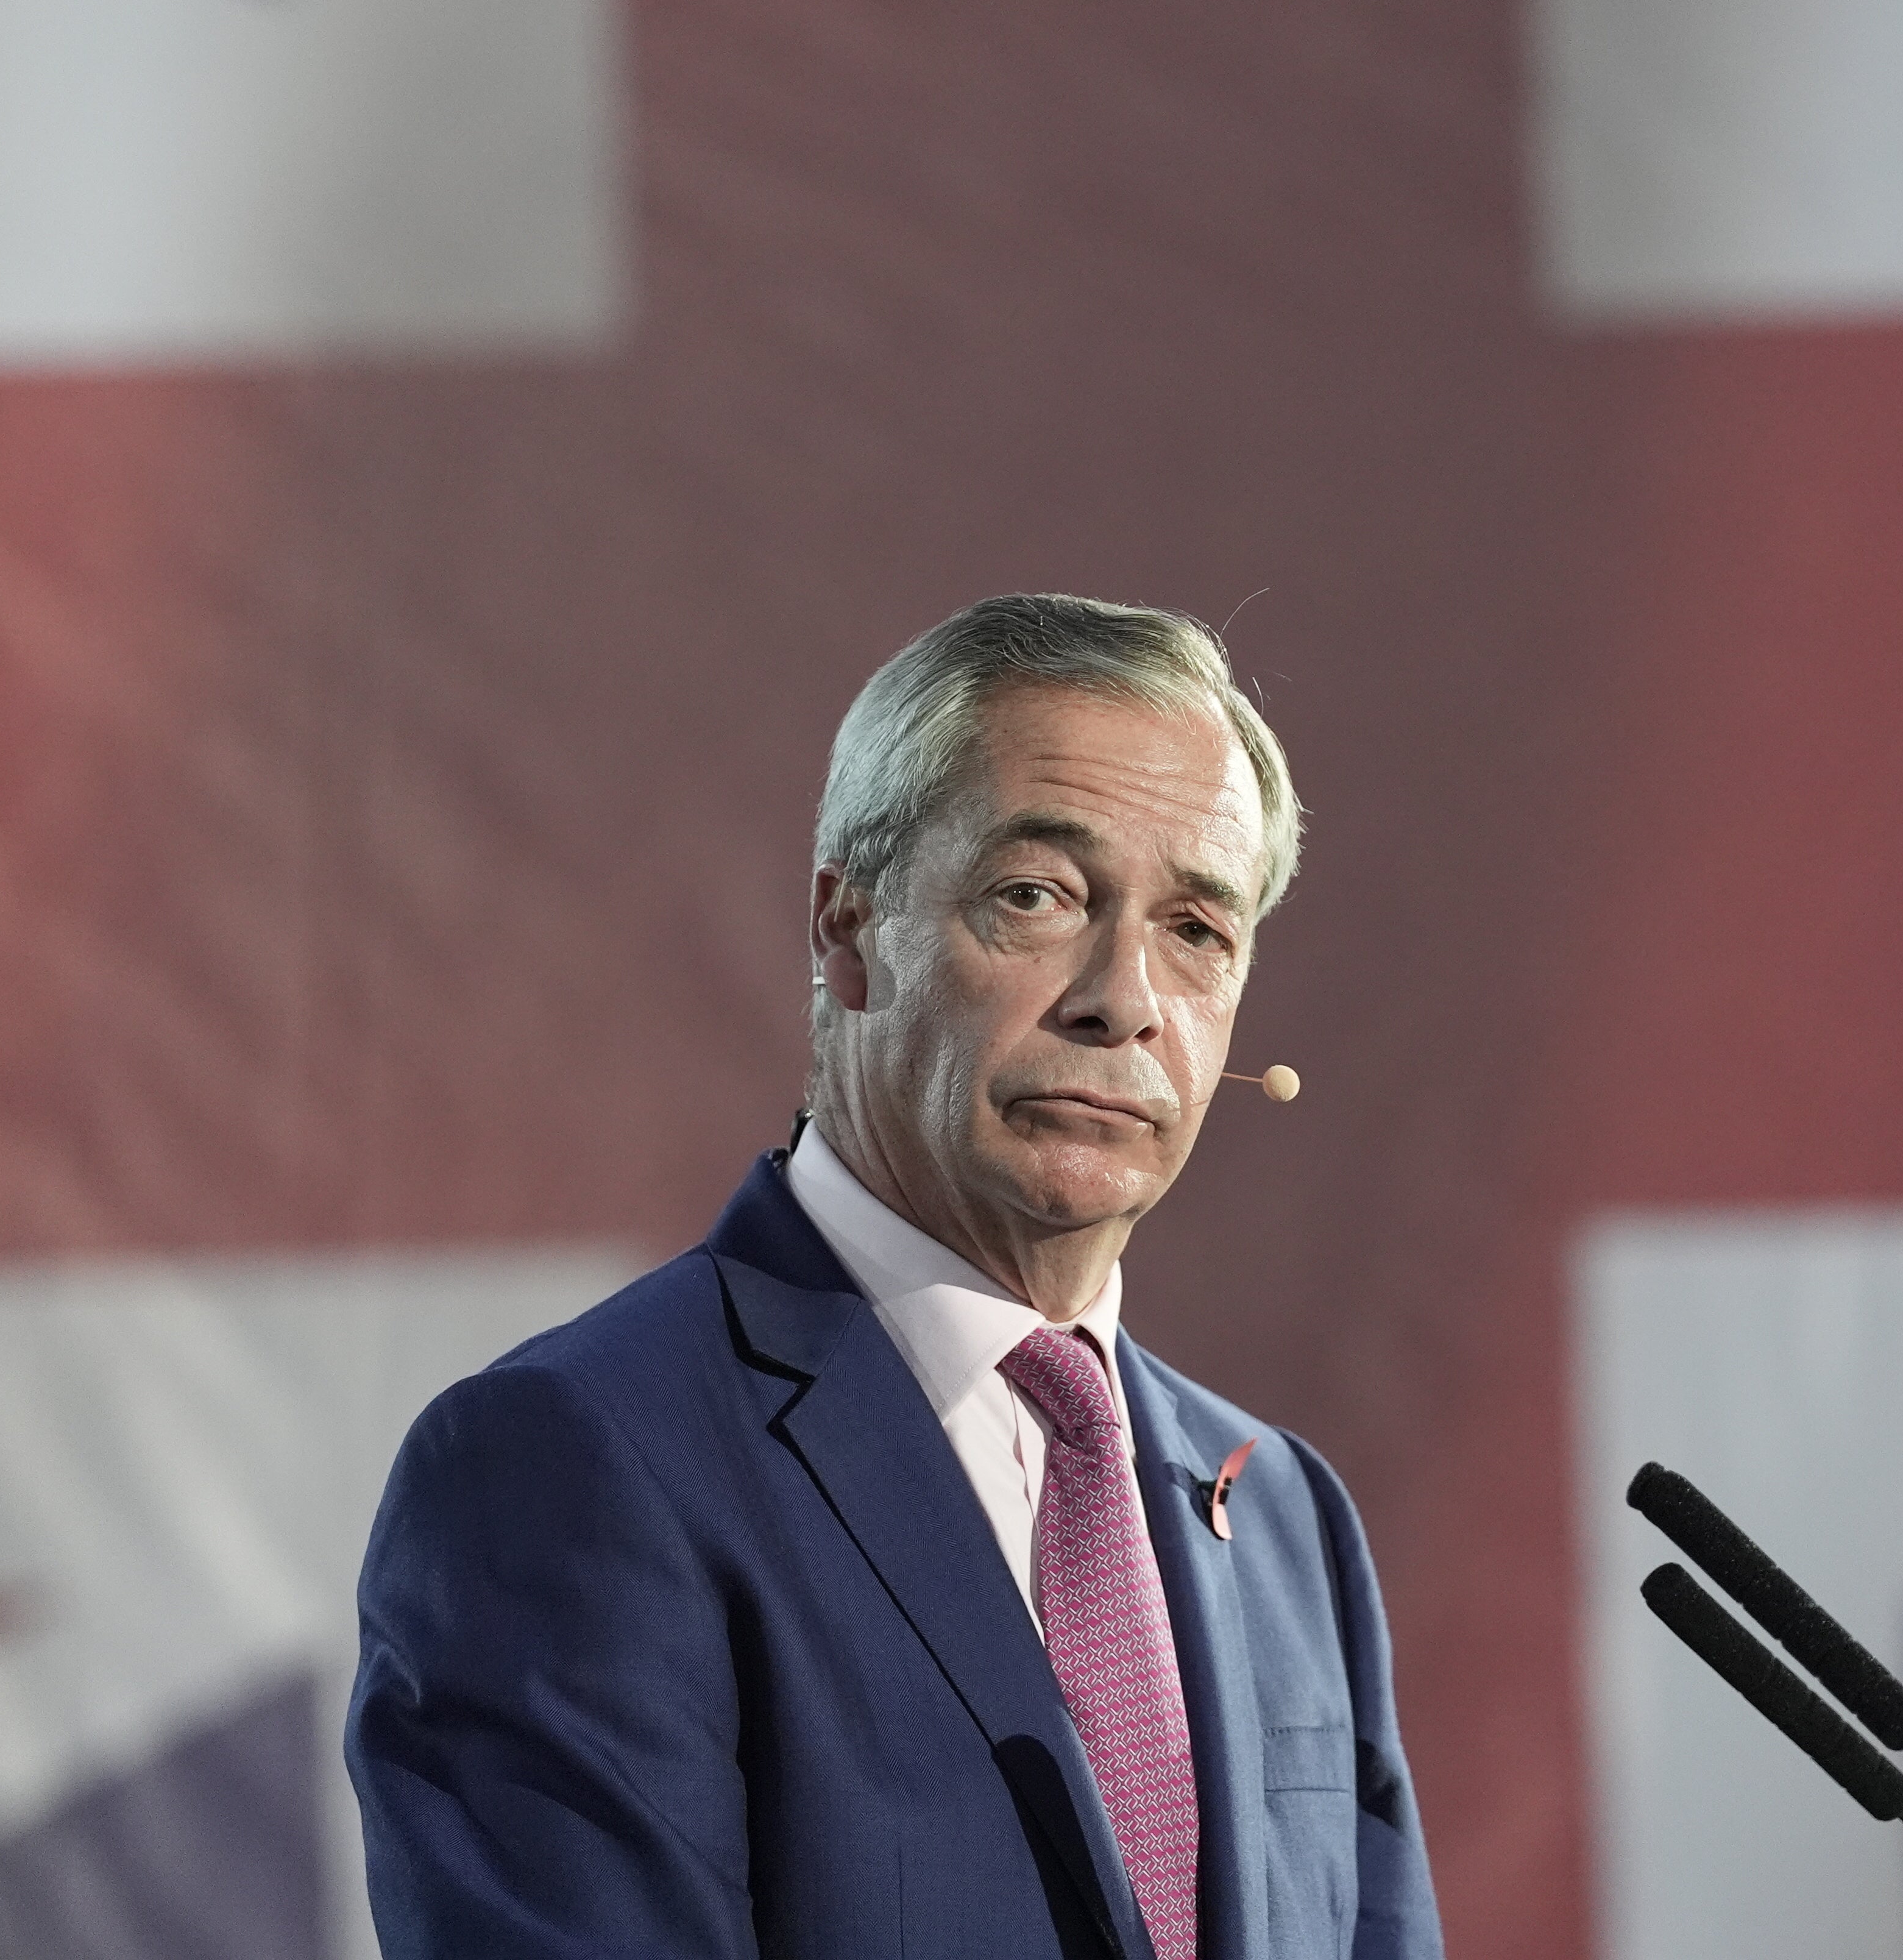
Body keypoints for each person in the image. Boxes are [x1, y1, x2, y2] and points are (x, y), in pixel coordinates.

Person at [346, 594, 1441, 1959]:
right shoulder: (576, 1462)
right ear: (847, 928)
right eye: (1038, 896)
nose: (1124, 998)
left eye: (1197, 931)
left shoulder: (1281, 1516)